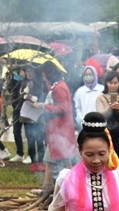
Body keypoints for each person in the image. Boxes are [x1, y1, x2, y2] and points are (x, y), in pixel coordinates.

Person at [38, 61, 79, 193]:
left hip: (61, 131)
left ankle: (69, 187)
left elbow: (63, 108)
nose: (43, 77)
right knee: (49, 159)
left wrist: (43, 107)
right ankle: (48, 185)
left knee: (65, 160)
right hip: (55, 131)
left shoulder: (59, 88)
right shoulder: (55, 86)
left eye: (44, 74)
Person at [96, 71, 119, 167]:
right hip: (106, 131)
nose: (113, 85)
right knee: (107, 154)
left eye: (115, 83)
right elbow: (100, 115)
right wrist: (109, 108)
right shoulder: (100, 98)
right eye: (111, 83)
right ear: (106, 83)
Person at [20, 66, 48, 174]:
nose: (29, 73)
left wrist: (31, 97)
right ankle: (33, 162)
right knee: (30, 140)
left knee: (39, 139)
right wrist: (26, 90)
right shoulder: (24, 83)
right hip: (27, 114)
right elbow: (21, 96)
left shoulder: (41, 84)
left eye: (31, 71)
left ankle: (40, 162)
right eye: (27, 71)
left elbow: (42, 97)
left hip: (38, 113)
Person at [6, 67, 30, 165]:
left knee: (28, 133)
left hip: (26, 108)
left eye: (21, 71)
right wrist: (10, 81)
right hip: (16, 108)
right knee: (16, 130)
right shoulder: (15, 79)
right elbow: (11, 91)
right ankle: (20, 153)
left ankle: (30, 154)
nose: (20, 74)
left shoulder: (29, 82)